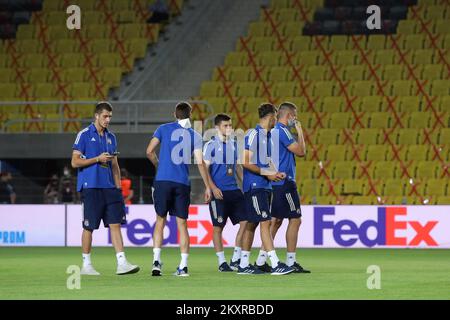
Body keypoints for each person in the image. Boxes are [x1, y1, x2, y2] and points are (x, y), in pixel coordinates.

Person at [71, 101, 139, 276]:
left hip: (110, 188)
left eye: (110, 117)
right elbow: (74, 161)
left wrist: (118, 187)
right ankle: (86, 265)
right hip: (91, 187)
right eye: (105, 116)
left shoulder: (111, 137)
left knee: (115, 224)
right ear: (96, 116)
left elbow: (115, 164)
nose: (108, 120)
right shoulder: (84, 135)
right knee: (89, 227)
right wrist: (96, 159)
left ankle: (122, 263)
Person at [146, 102, 211, 277]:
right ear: (191, 114)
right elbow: (200, 162)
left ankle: (156, 262)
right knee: (182, 224)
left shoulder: (163, 129)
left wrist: (159, 166)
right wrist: (208, 186)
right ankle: (183, 266)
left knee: (160, 220)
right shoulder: (195, 135)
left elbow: (149, 151)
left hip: (162, 181)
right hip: (182, 182)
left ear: (175, 114)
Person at [239, 103, 294, 275]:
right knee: (265, 221)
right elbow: (245, 161)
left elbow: (266, 161)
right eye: (275, 117)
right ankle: (275, 262)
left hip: (265, 185)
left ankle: (244, 263)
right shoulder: (253, 134)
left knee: (252, 224)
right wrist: (267, 173)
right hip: (255, 185)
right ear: (271, 116)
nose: (276, 121)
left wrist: (275, 173)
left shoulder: (268, 137)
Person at [256, 102, 311, 274]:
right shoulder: (283, 130)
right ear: (289, 116)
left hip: (276, 182)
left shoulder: (272, 132)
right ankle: (290, 261)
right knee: (295, 219)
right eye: (295, 115)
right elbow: (301, 151)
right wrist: (300, 131)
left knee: (276, 221)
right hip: (285, 181)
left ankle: (261, 260)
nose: (296, 119)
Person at [203, 114, 248, 272]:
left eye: (230, 125)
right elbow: (204, 169)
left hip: (234, 190)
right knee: (218, 227)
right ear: (217, 128)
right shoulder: (210, 145)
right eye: (226, 126)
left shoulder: (234, 145)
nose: (229, 128)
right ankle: (222, 262)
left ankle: (236, 258)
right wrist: (212, 188)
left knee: (246, 222)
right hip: (219, 192)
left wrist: (246, 186)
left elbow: (237, 168)